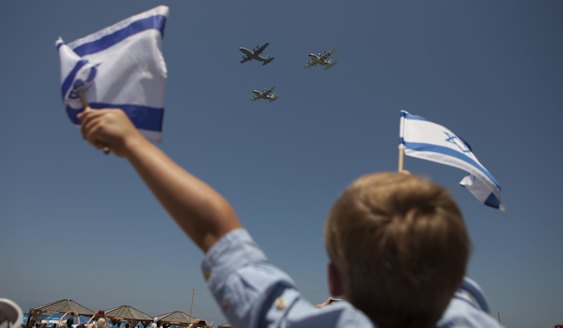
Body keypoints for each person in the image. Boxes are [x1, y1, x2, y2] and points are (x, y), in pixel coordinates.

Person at [77, 108, 501, 327]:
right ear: (457, 272)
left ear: (334, 283)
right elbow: (446, 277)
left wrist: (131, 142)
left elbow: (214, 228)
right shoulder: (471, 312)